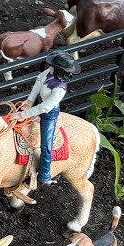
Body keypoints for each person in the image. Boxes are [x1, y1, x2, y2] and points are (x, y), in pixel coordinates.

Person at [11, 52, 80, 187]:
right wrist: (30, 101)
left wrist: (22, 115)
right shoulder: (48, 73)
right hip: (39, 104)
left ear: (59, 71)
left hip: (49, 114)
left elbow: (45, 108)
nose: (50, 67)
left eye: (53, 66)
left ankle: (44, 175)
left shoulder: (60, 89)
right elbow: (38, 82)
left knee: (46, 146)